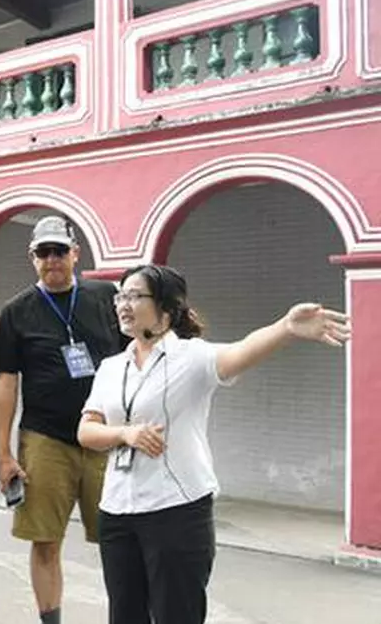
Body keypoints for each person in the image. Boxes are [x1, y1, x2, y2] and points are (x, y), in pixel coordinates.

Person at [77, 264, 349, 624]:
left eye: (134, 295)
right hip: (117, 510)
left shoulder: (192, 357)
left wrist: (286, 328)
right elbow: (86, 431)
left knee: (178, 614)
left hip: (176, 511)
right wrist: (124, 434)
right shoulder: (112, 367)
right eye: (120, 296)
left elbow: (241, 350)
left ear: (166, 308)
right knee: (125, 616)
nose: (123, 304)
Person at [0, 216, 123, 624]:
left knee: (121, 540)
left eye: (59, 251)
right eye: (43, 253)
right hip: (45, 439)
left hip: (104, 436)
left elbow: (137, 358)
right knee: (45, 541)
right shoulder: (17, 311)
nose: (52, 260)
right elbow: (7, 384)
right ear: (33, 259)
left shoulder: (106, 297)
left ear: (75, 254)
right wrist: (4, 454)